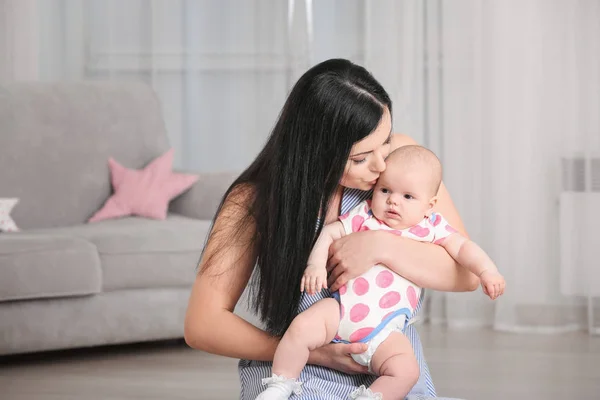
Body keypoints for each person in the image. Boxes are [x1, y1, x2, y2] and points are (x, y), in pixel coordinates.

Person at [184, 58, 480, 400]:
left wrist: (380, 246)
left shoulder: (404, 164)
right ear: (315, 152)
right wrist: (313, 352)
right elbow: (202, 324)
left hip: (385, 358)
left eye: (384, 142)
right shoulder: (252, 200)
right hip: (295, 359)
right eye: (360, 158)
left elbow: (466, 275)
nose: (381, 164)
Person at [256, 145, 506, 400]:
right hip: (341, 310)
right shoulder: (365, 215)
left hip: (385, 329)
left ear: (429, 205)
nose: (393, 200)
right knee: (300, 328)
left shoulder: (430, 228)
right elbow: (330, 231)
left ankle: (371, 397)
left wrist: (487, 270)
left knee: (407, 371)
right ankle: (280, 384)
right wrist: (315, 264)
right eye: (385, 190)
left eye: (408, 196)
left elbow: (463, 247)